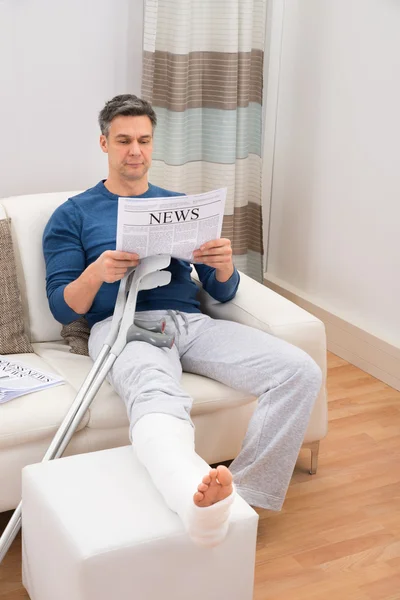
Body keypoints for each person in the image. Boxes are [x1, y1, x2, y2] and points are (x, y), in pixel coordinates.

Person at [43, 94, 322, 548]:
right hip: (121, 326)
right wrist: (97, 272)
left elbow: (223, 291)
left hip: (191, 323)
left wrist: (225, 264)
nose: (136, 150)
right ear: (104, 144)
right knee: (156, 395)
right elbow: (61, 306)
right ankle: (190, 498)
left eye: (145, 140)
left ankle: (244, 496)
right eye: (124, 140)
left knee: (299, 371)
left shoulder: (182, 205)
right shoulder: (72, 215)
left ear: (154, 144)